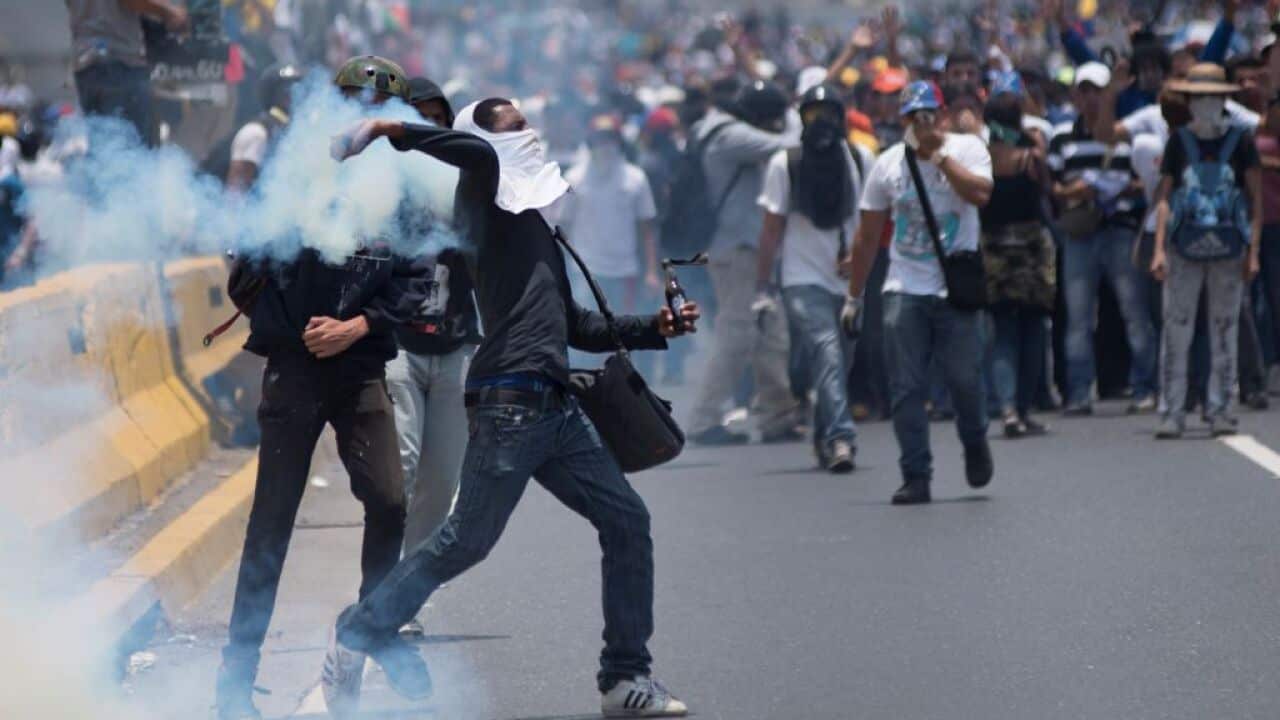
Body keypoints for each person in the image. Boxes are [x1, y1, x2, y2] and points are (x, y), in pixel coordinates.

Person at [321, 97, 699, 718]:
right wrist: (387, 128)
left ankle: (624, 678)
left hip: (553, 403)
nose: (532, 134)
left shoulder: (532, 224)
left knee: (626, 522)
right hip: (511, 403)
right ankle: (358, 631)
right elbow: (471, 151)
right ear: (488, 142)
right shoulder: (485, 196)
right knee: (463, 544)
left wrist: (656, 326)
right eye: (515, 125)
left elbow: (573, 323)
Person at [213, 56, 427, 720]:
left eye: (374, 105)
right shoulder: (293, 172)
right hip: (297, 371)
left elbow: (419, 285)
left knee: (391, 503)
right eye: (349, 102)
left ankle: (371, 631)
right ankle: (233, 684)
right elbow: (243, 272)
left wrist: (357, 324)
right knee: (269, 527)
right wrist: (294, 331)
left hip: (360, 366)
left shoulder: (402, 192)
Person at [841, 81, 995, 505]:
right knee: (906, 386)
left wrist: (939, 156)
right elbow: (868, 236)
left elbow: (981, 194)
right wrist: (854, 296)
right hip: (905, 287)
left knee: (964, 380)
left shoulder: (968, 150)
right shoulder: (889, 165)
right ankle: (915, 474)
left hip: (954, 287)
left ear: (942, 116)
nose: (921, 123)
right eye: (913, 117)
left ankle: (975, 439)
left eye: (929, 114)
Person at [383, 78, 481, 639]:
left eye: (433, 120)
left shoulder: (469, 185)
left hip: (456, 347)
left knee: (442, 485)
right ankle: (380, 586)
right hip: (396, 345)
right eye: (412, 119)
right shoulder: (381, 189)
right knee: (401, 466)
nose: (423, 130)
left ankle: (404, 597)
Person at [1150, 63, 1263, 438]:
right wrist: (1159, 249)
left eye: (1212, 97)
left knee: (1225, 328)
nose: (1206, 104)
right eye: (1199, 97)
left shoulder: (1241, 141)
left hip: (1229, 246)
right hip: (1183, 246)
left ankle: (1221, 407)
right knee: (1176, 329)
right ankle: (1172, 409)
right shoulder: (1178, 141)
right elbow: (1164, 197)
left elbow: (1255, 198)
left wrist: (1253, 250)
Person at [755, 83, 863, 473]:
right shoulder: (786, 164)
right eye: (813, 115)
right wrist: (763, 287)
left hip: (849, 282)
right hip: (802, 278)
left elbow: (872, 217)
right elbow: (771, 229)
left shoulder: (859, 158)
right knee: (827, 348)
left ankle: (824, 428)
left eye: (829, 115)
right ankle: (841, 439)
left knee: (839, 363)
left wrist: (859, 256)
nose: (822, 124)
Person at [686, 80, 801, 446]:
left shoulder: (711, 127)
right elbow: (792, 145)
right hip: (735, 248)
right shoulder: (732, 136)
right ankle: (703, 419)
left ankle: (777, 415)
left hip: (741, 248)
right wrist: (798, 116)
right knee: (737, 334)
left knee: (771, 329)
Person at [1049, 61, 1158, 416]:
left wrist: (1126, 187)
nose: (1091, 98)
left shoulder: (1127, 137)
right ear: (1076, 96)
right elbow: (1050, 184)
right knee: (1079, 318)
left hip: (1120, 230)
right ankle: (1079, 392)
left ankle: (1146, 387)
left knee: (1134, 312)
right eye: (1085, 91)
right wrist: (1073, 192)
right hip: (1080, 234)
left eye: (1098, 91)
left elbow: (1150, 183)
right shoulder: (1062, 137)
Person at [980, 73, 1056, 438]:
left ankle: (1009, 407)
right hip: (1029, 252)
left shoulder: (981, 156)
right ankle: (1021, 408)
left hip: (994, 252)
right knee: (1030, 333)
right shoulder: (1030, 155)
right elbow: (1047, 189)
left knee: (1005, 333)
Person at [562, 113, 662, 375]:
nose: (604, 147)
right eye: (599, 140)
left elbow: (646, 230)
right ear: (590, 143)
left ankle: (624, 389)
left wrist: (651, 272)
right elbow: (564, 228)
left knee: (621, 333)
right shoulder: (575, 179)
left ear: (618, 143)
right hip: (585, 271)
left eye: (609, 140)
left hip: (623, 269)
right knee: (585, 335)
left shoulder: (635, 178)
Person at [65, 0, 190, 145]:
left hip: (85, 62)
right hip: (119, 61)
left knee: (104, 148)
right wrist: (169, 12)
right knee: (137, 149)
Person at [226, 63, 302, 192]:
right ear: (274, 95)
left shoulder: (287, 133)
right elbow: (235, 195)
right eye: (288, 89)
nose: (297, 94)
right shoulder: (257, 134)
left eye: (299, 87)